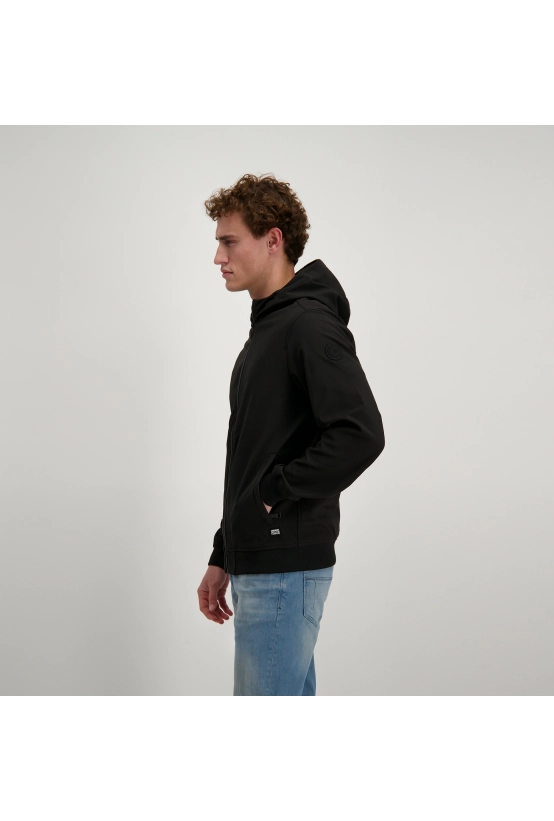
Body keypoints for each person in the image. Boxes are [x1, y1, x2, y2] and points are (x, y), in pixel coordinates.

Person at [197, 173, 385, 696]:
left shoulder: (307, 325)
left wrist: (274, 492)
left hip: (283, 566)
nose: (218, 257)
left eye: (229, 241)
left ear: (273, 240)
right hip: (264, 561)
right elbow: (254, 452)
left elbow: (361, 433)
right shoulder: (269, 329)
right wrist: (224, 553)